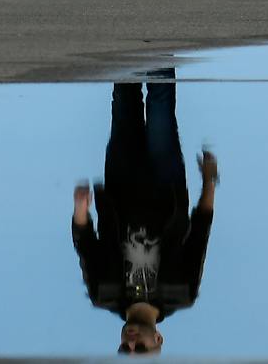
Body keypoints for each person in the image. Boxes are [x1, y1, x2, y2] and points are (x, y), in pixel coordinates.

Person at [72, 72, 217, 355]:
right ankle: (161, 44)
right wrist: (209, 181)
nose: (131, 342)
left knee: (124, 100)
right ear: (158, 339)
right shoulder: (181, 294)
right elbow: (199, 235)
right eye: (140, 348)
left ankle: (127, 42)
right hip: (167, 189)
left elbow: (85, 245)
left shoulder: (103, 295)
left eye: (125, 347)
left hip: (121, 186)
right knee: (160, 106)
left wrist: (80, 210)